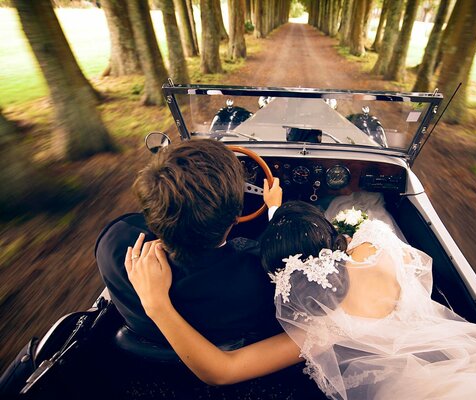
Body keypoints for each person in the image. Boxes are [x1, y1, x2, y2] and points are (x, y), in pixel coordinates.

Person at [127, 200, 476, 400]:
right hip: (466, 369)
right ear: (334, 239)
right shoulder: (377, 243)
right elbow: (352, 226)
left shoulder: (320, 326)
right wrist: (280, 212)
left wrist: (156, 304)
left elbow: (221, 371)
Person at [96, 139, 325, 398]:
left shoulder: (113, 244)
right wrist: (273, 207)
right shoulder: (261, 273)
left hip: (147, 372)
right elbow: (280, 253)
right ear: (238, 213)